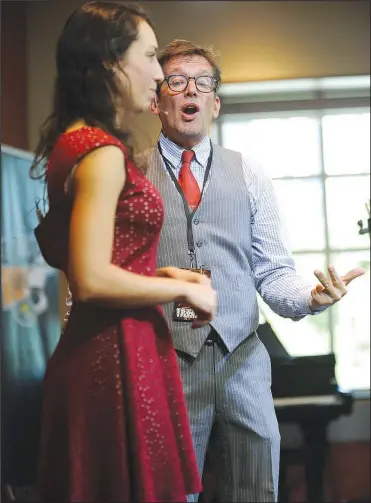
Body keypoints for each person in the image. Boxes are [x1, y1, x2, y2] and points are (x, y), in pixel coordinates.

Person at [136, 39, 365, 503]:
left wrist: (309, 298)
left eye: (203, 83)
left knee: (256, 490)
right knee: (165, 494)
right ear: (156, 101)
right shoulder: (128, 176)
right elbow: (108, 272)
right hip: (163, 361)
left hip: (241, 359)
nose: (190, 92)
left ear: (215, 103)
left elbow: (272, 272)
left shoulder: (250, 174)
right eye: (176, 82)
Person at [30, 6, 217, 502]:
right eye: (152, 57)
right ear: (111, 62)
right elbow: (90, 279)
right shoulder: (101, 152)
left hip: (111, 348)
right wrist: (179, 287)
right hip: (115, 357)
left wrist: (161, 273)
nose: (159, 74)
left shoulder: (76, 143)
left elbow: (101, 259)